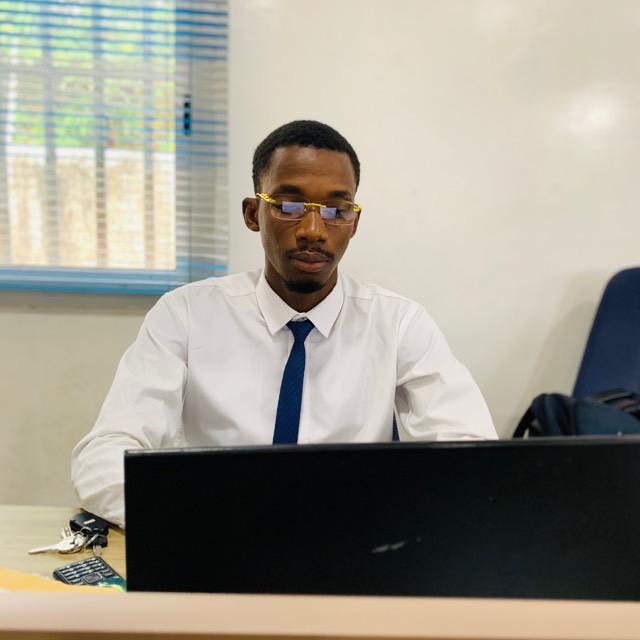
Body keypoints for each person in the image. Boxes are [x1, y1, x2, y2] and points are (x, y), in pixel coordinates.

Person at [72, 120, 496, 527]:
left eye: (336, 210)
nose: (313, 229)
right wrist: (208, 520)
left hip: (353, 545)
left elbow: (476, 459)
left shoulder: (398, 323)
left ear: (354, 222)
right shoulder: (185, 314)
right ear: (253, 213)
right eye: (289, 206)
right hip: (216, 542)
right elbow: (104, 456)